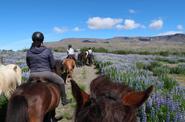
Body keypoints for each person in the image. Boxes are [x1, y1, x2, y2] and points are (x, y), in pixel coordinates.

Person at [26, 31, 71, 105]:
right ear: (42, 40)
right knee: (61, 81)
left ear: (33, 40)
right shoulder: (47, 50)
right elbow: (53, 64)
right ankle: (64, 100)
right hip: (47, 74)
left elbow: (28, 64)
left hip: (32, 75)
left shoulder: (29, 52)